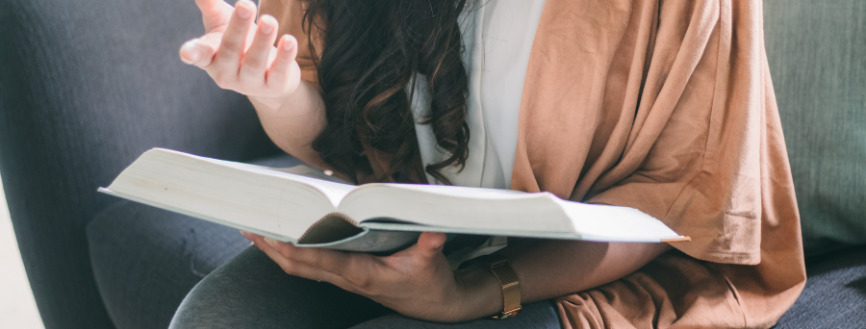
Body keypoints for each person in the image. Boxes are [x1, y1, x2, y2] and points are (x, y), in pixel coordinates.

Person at [171, 0, 806, 328]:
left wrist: (472, 295)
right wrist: (276, 91)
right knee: (219, 319)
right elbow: (331, 134)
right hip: (395, 233)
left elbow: (677, 202)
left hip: (569, 275)